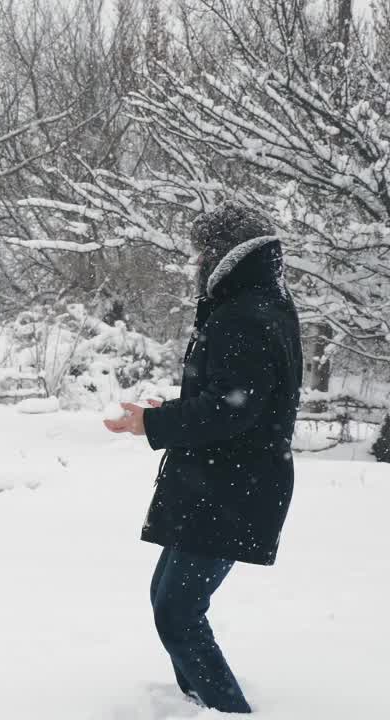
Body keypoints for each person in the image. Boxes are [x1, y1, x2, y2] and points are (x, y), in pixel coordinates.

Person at [104, 202, 302, 713]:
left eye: (200, 252)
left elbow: (231, 408)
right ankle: (199, 702)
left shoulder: (245, 315)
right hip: (224, 483)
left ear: (222, 256)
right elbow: (233, 397)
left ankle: (226, 709)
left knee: (177, 609)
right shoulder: (262, 304)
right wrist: (169, 413)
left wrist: (154, 423)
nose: (195, 262)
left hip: (231, 488)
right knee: (169, 600)